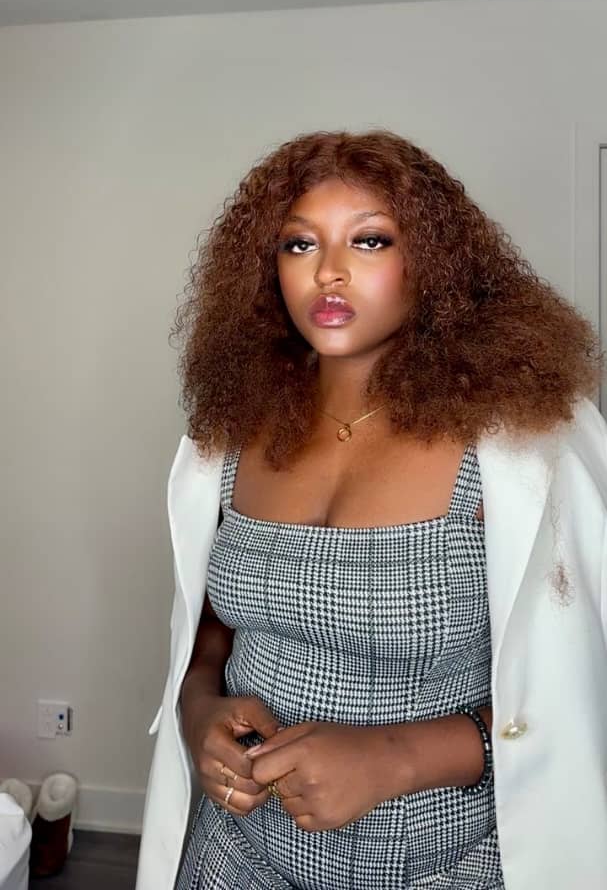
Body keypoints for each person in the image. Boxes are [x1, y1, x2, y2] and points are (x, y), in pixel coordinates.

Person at [135, 130, 607, 890]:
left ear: (434, 263)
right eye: (298, 245)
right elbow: (213, 619)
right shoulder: (231, 433)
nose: (328, 271)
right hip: (238, 852)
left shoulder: (524, 446)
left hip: (448, 863)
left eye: (370, 240)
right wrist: (197, 708)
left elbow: (580, 675)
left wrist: (396, 757)